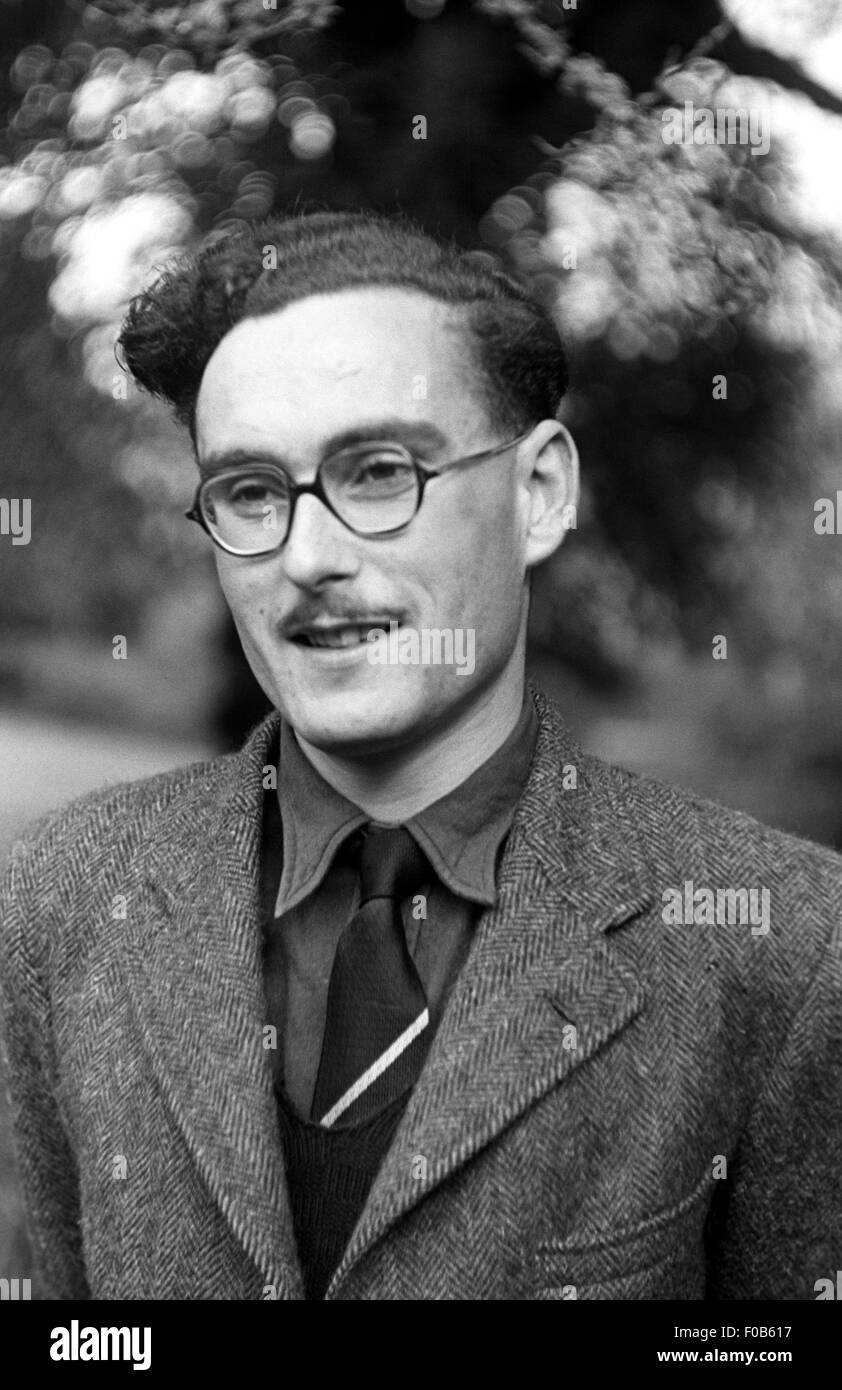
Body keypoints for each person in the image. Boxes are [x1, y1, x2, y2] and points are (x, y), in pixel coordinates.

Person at [1, 212, 840, 1301]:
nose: (308, 557)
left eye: (379, 470)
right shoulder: (61, 898)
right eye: (251, 492)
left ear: (537, 492)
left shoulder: (787, 948)